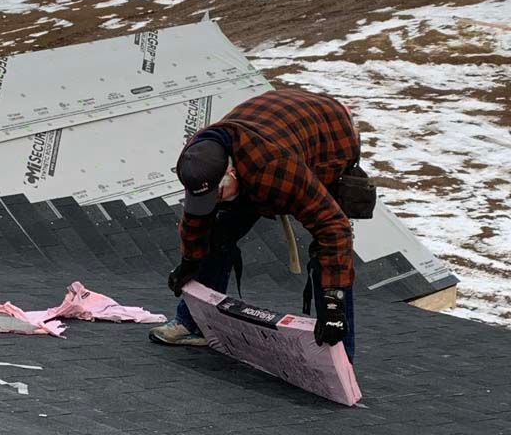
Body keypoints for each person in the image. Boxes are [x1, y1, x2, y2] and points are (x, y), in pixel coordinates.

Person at [149, 88, 359, 362]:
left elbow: (334, 228)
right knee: (218, 232)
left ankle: (340, 355)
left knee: (327, 254)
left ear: (232, 172)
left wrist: (334, 305)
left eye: (219, 194)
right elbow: (198, 218)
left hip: (330, 131)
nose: (214, 201)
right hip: (275, 122)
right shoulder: (201, 155)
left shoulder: (275, 169)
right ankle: (194, 323)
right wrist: (190, 259)